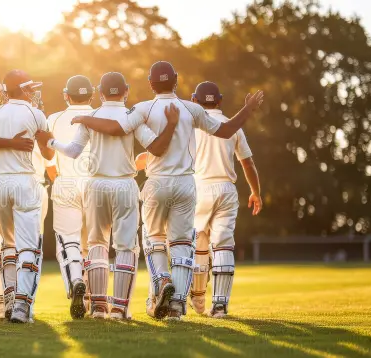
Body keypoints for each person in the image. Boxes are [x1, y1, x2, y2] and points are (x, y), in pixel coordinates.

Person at [73, 61, 264, 320]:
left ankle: (162, 281)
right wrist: (248, 109)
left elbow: (116, 129)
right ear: (176, 79)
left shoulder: (141, 109)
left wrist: (85, 118)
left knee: (153, 241)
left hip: (157, 183)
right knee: (183, 244)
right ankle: (176, 308)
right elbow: (228, 129)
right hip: (186, 183)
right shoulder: (192, 108)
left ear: (150, 84)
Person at [37, 72, 178, 319]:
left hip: (96, 185)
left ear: (101, 93)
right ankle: (119, 309)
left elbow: (72, 152)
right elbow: (156, 147)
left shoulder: (90, 117)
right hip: (124, 184)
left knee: (96, 244)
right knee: (126, 247)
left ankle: (99, 307)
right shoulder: (132, 116)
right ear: (126, 91)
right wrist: (171, 129)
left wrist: (51, 144)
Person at [0, 69, 55, 323]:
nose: (35, 93)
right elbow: (48, 155)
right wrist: (31, 135)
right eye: (31, 88)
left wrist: (6, 141)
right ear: (24, 90)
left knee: (8, 246)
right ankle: (21, 306)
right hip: (24, 182)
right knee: (28, 247)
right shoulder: (36, 114)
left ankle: (9, 298)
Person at [187, 81, 262, 318]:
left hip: (199, 187)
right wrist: (256, 192)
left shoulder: (191, 126)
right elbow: (247, 163)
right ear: (220, 100)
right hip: (227, 189)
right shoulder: (233, 126)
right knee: (223, 245)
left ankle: (198, 298)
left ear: (194, 100)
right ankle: (219, 305)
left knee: (198, 243)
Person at [44, 75, 95, 319]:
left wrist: (58, 179)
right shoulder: (101, 115)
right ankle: (98, 301)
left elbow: (47, 159)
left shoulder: (53, 118)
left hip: (65, 181)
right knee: (96, 244)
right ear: (92, 95)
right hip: (97, 183)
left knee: (68, 240)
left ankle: (76, 280)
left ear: (66, 95)